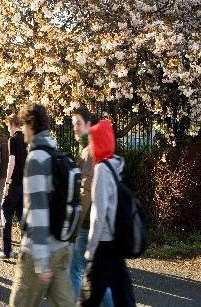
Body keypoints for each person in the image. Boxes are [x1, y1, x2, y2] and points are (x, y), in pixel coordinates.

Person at [9, 103, 75, 307]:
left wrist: (41, 261)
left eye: (23, 124)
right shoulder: (56, 154)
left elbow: (37, 210)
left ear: (31, 124)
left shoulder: (37, 158)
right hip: (61, 248)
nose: (21, 129)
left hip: (38, 252)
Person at [78, 120, 135, 306]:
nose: (91, 146)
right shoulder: (115, 164)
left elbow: (99, 212)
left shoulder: (102, 168)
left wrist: (91, 248)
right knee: (123, 295)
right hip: (115, 242)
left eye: (93, 141)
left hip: (103, 243)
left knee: (89, 296)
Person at [69, 107, 114, 306]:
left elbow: (86, 193)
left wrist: (75, 226)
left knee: (76, 270)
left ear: (89, 124)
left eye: (78, 124)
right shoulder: (93, 148)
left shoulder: (90, 151)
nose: (75, 128)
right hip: (96, 223)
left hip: (87, 223)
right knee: (94, 275)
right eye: (73, 125)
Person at [0, 114, 27, 259]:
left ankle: (7, 250)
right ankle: (25, 250)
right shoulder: (27, 139)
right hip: (25, 184)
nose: (8, 129)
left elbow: (12, 162)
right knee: (21, 216)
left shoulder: (13, 140)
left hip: (14, 183)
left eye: (8, 126)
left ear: (13, 125)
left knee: (6, 212)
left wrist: (7, 184)